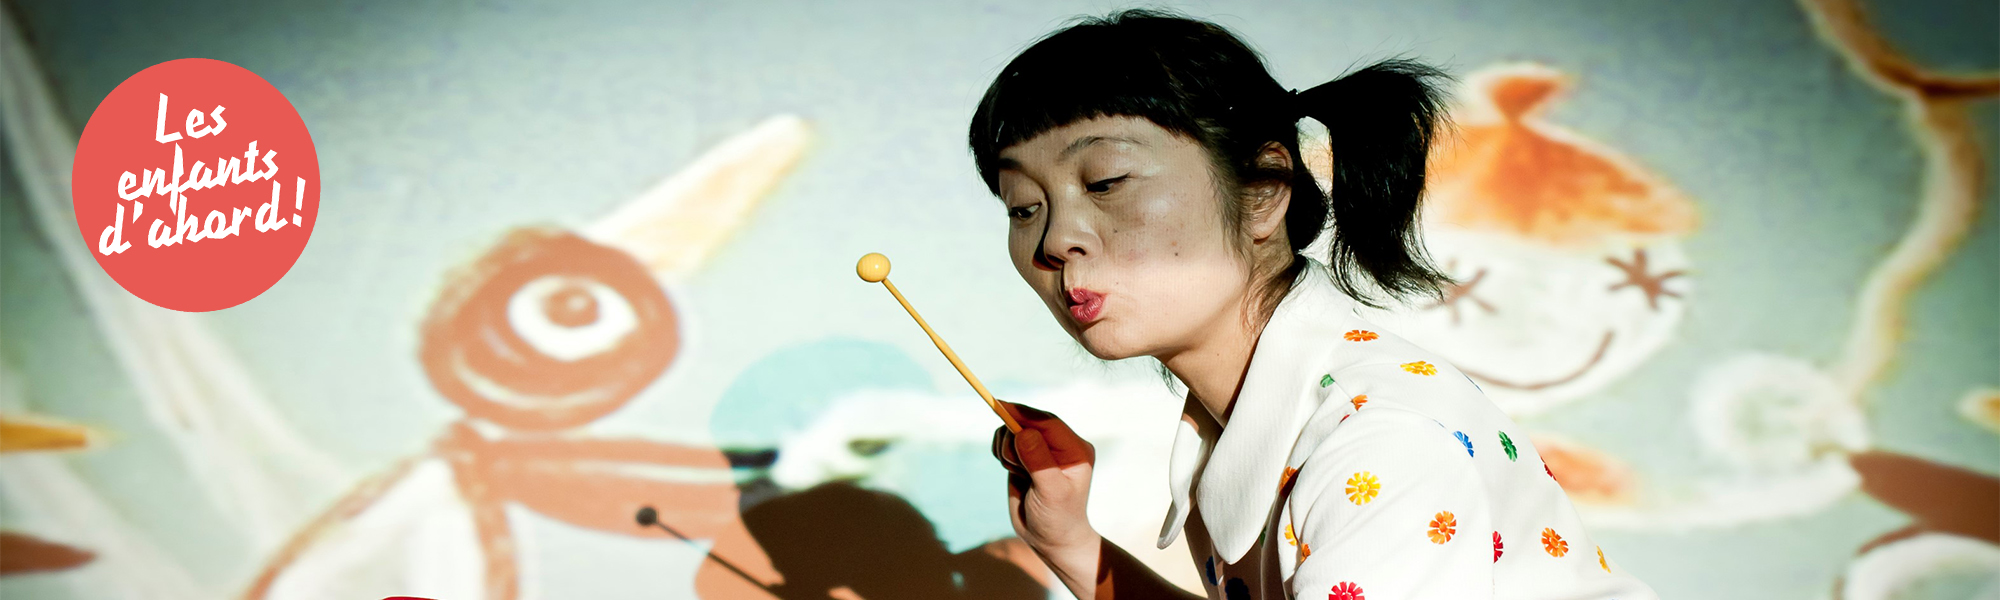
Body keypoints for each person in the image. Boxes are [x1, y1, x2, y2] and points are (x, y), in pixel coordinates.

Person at [973, 10, 1661, 600]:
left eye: (1106, 181)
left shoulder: (1379, 442)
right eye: (1024, 207)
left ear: (1263, 192)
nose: (1055, 240)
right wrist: (1071, 544)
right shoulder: (1251, 419)